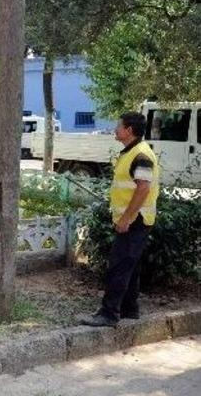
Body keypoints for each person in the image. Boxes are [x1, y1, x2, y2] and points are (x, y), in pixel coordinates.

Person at [81, 112, 160, 327]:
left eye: (119, 125)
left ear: (129, 130)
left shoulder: (140, 155)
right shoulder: (132, 152)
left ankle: (109, 314)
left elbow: (142, 189)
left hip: (135, 220)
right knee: (129, 266)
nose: (115, 129)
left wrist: (126, 218)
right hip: (136, 219)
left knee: (118, 266)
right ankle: (129, 309)